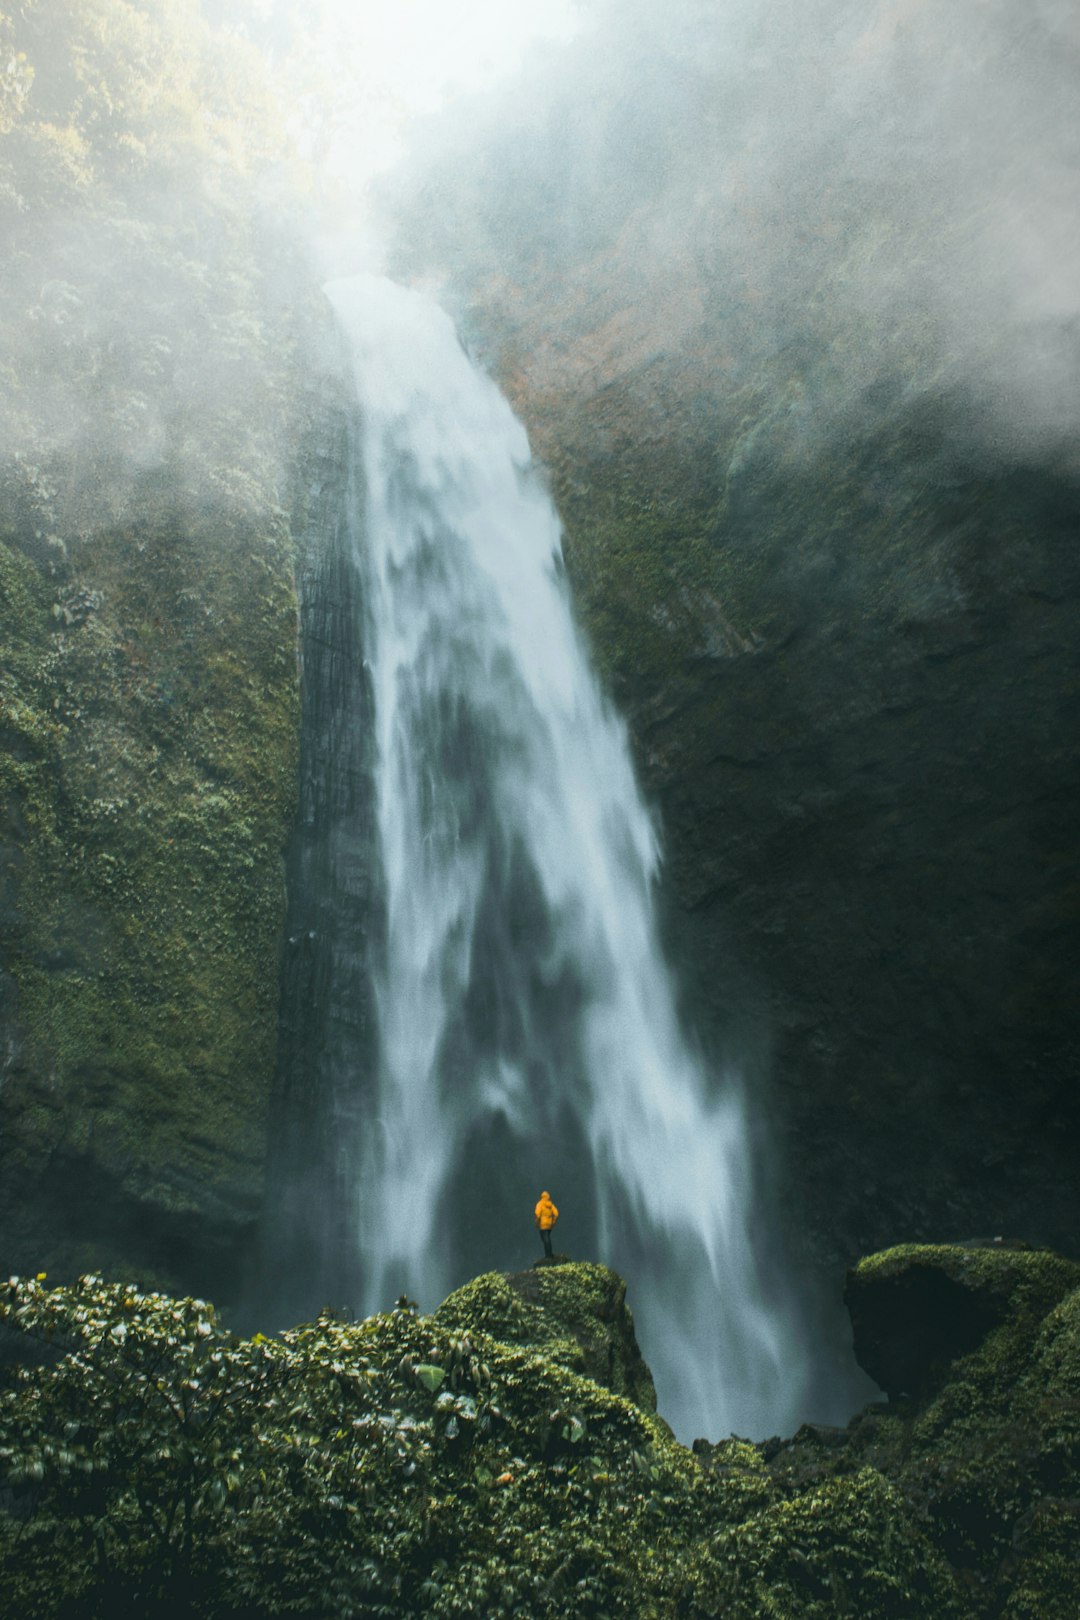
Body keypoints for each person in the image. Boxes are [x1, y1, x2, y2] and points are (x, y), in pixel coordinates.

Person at [534, 1189, 559, 1258]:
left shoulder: (540, 1204)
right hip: (549, 1225)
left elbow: (537, 1213)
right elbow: (556, 1214)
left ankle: (548, 1255)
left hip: (543, 1225)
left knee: (545, 1240)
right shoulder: (551, 1204)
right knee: (547, 1239)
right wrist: (553, 1222)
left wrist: (537, 1222)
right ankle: (549, 1254)